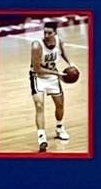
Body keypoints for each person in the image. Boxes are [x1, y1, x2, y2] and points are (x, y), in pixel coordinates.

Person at [29, 21, 72, 152]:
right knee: (39, 105)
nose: (47, 35)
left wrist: (71, 64)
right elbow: (37, 68)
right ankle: (41, 138)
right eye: (45, 32)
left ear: (55, 33)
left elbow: (63, 53)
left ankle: (59, 128)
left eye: (49, 33)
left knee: (60, 105)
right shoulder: (37, 45)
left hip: (53, 77)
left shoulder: (59, 41)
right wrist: (58, 73)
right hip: (38, 77)